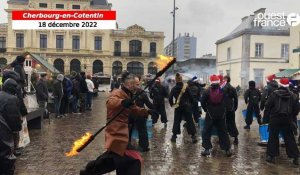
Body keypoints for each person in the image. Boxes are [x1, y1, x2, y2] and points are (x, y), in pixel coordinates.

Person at [80, 71, 157, 175]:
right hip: (116, 132)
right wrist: (122, 102)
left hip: (121, 133)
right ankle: (90, 171)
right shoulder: (118, 93)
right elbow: (110, 102)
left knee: (116, 159)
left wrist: (146, 111)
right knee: (132, 159)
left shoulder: (128, 95)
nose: (138, 87)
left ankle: (89, 171)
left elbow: (134, 109)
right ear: (130, 84)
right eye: (136, 84)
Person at [264, 78, 300, 165]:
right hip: (287, 119)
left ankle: (271, 157)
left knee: (273, 137)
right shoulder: (293, 95)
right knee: (289, 138)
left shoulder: (274, 94)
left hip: (275, 118)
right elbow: (296, 109)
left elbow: (267, 106)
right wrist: (291, 116)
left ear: (280, 85)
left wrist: (268, 117)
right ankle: (296, 158)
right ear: (288, 85)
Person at [201, 74, 232, 157]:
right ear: (218, 82)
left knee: (206, 131)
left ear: (211, 82)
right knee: (223, 131)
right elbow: (227, 101)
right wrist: (224, 110)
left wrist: (205, 109)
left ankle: (207, 149)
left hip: (210, 114)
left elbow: (202, 102)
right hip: (221, 114)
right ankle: (227, 149)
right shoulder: (223, 90)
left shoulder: (206, 91)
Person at [2, 70, 28, 156]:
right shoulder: (12, 98)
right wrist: (17, 126)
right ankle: (13, 151)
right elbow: (13, 116)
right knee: (13, 134)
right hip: (7, 123)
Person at [0, 78, 22, 175]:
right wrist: (17, 128)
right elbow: (14, 118)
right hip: (4, 131)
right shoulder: (12, 99)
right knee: (6, 158)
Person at [169, 73, 197, 143]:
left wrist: (172, 105)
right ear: (181, 79)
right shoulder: (186, 87)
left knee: (177, 121)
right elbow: (191, 97)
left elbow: (170, 98)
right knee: (190, 121)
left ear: (176, 80)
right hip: (187, 106)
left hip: (178, 106)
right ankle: (193, 136)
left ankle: (174, 137)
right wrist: (192, 104)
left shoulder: (174, 88)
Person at [129, 75, 154, 152]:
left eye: (137, 84)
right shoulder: (127, 93)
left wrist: (155, 108)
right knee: (128, 130)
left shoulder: (142, 93)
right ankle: (127, 145)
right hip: (130, 115)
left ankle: (144, 146)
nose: (136, 85)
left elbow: (149, 104)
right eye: (134, 84)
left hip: (140, 115)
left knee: (142, 130)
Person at [223, 75, 239, 145]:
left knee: (223, 123)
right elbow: (236, 99)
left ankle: (224, 138)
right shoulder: (233, 88)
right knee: (232, 123)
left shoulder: (221, 88)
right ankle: (235, 138)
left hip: (223, 108)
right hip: (230, 108)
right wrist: (234, 108)